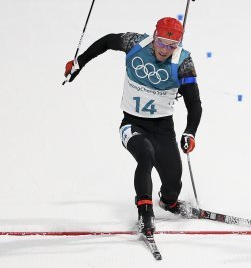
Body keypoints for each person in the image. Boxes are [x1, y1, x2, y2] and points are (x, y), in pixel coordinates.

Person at [64, 17, 203, 235]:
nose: (164, 50)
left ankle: (169, 203)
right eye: (160, 43)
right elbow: (107, 41)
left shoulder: (183, 62)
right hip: (132, 124)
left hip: (163, 128)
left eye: (171, 45)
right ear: (154, 36)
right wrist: (79, 62)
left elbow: (194, 104)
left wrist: (190, 132)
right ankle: (145, 211)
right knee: (145, 154)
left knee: (173, 183)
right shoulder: (136, 43)